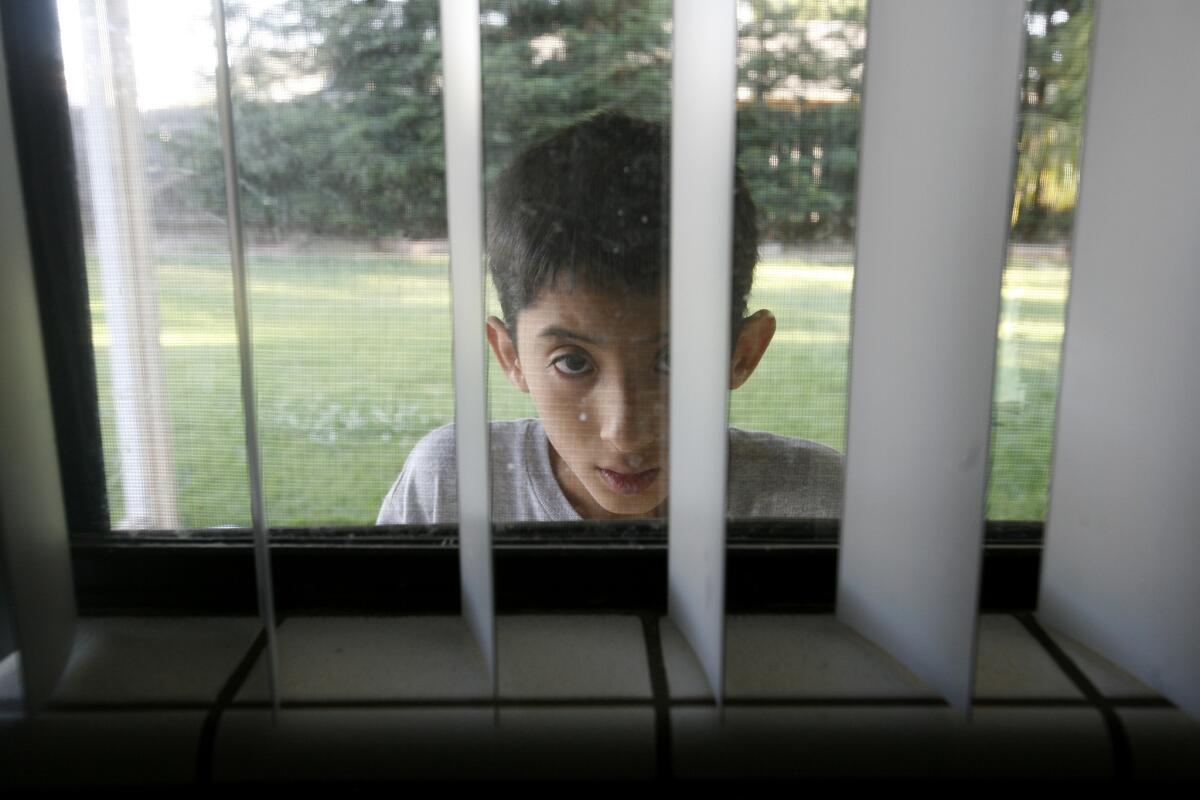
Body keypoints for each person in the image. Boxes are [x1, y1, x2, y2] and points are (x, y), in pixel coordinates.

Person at [377, 112, 843, 525]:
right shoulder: (453, 486)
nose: (626, 431)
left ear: (742, 353)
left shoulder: (819, 504)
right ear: (510, 355)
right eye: (573, 362)